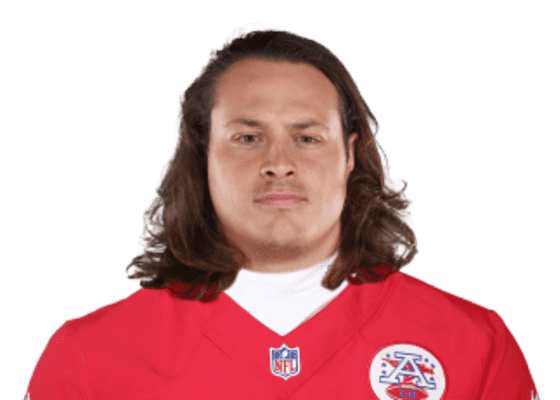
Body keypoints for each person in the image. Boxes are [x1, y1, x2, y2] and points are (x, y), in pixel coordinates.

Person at [23, 25, 539, 400]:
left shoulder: (474, 343)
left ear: (350, 155)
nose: (279, 163)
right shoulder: (89, 356)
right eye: (248, 137)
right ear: (203, 155)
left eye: (307, 138)